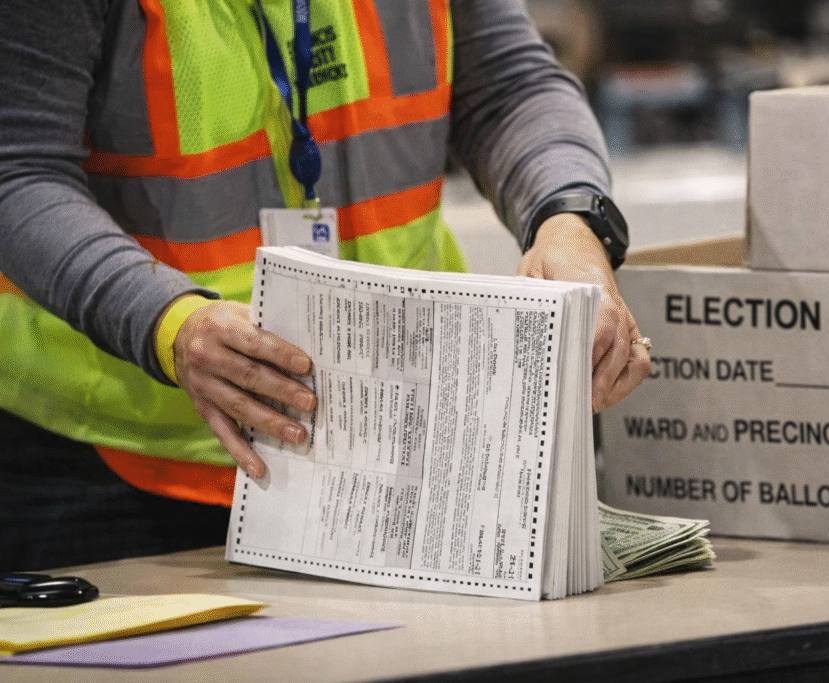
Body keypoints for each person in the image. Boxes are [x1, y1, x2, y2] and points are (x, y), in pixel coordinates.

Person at [0, 0, 651, 571]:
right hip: (113, 461)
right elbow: (18, 172)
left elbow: (507, 88)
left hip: (391, 449)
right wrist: (165, 321)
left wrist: (570, 216)